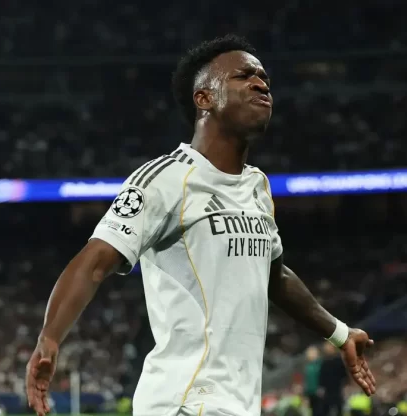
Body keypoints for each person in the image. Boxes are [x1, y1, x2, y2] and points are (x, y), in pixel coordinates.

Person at [25, 34, 376, 416]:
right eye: (243, 76)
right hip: (184, 401)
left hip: (235, 405)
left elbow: (273, 275)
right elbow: (94, 261)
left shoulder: (257, 186)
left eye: (264, 79)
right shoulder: (166, 178)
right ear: (204, 99)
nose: (261, 84)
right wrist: (49, 339)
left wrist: (339, 333)